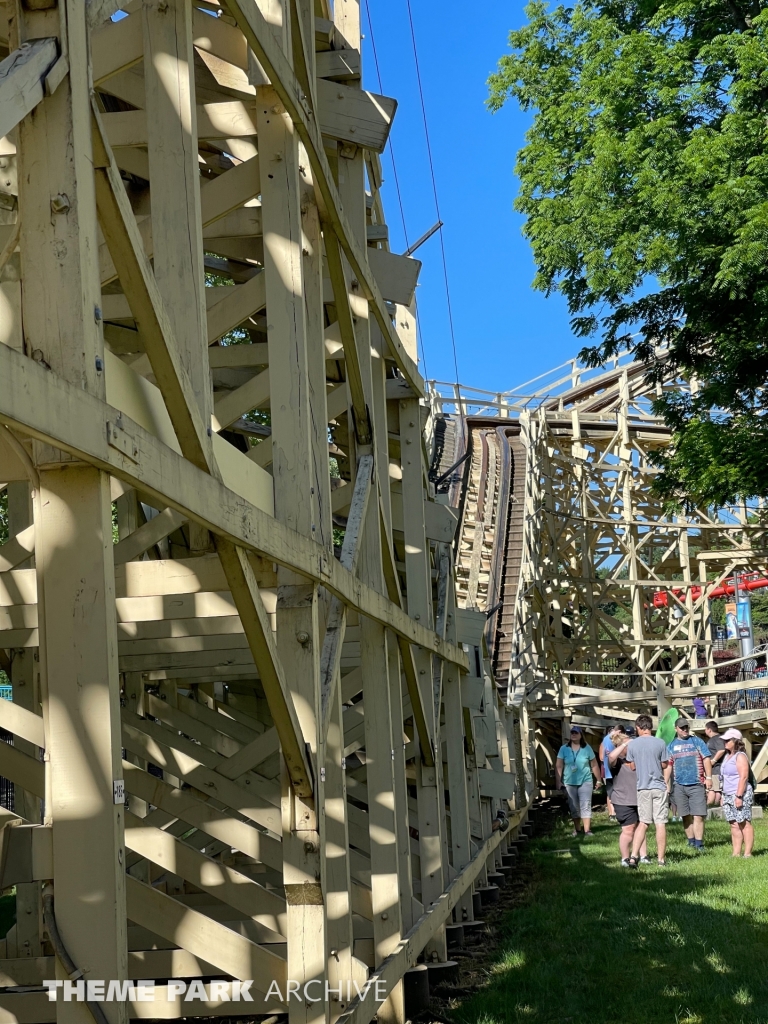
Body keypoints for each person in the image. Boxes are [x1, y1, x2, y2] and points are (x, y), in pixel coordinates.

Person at [625, 714, 670, 867]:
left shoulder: (632, 744)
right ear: (650, 727)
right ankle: (661, 860)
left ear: (638, 727)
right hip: (659, 786)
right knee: (660, 823)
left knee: (643, 822)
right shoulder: (660, 742)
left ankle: (633, 856)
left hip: (643, 787)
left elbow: (631, 766)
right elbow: (665, 764)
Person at [665, 719, 713, 851]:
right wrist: (666, 783)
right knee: (685, 815)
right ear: (676, 729)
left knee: (698, 815)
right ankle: (691, 841)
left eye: (686, 727)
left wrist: (708, 778)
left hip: (697, 784)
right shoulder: (671, 746)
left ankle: (699, 844)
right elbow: (668, 766)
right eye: (681, 728)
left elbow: (706, 759)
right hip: (679, 786)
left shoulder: (697, 741)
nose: (684, 730)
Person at [607, 727, 649, 866]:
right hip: (623, 800)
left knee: (641, 828)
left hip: (640, 797)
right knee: (628, 829)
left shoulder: (637, 758)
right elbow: (611, 757)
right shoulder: (616, 761)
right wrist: (625, 743)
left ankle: (643, 856)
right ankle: (625, 858)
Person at [555, 726, 603, 837]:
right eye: (572, 732)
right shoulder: (564, 749)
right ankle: (577, 829)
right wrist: (558, 781)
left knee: (585, 804)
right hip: (569, 782)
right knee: (574, 806)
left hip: (585, 781)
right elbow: (559, 765)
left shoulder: (587, 748)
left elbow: (594, 765)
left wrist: (599, 780)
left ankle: (587, 830)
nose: (573, 734)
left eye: (576, 733)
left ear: (581, 735)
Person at [720, 728, 755, 857]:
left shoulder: (740, 756)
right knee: (734, 824)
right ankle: (736, 853)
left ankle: (747, 853)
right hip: (727, 794)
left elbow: (743, 777)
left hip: (740, 794)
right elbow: (724, 777)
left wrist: (739, 796)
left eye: (727, 740)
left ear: (735, 741)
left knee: (744, 822)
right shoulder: (727, 756)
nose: (724, 742)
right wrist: (723, 795)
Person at [600, 725, 626, 822]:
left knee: (610, 792)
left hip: (608, 770)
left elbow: (602, 756)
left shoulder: (605, 739)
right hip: (615, 770)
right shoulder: (615, 739)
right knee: (615, 792)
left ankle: (612, 814)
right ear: (619, 731)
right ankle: (615, 813)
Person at [704, 721, 726, 807]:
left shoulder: (718, 738)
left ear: (709, 729)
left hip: (717, 769)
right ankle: (710, 809)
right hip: (712, 770)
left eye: (705, 729)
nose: (704, 731)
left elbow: (721, 750)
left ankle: (717, 808)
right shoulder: (711, 740)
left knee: (717, 790)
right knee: (712, 789)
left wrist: (713, 761)